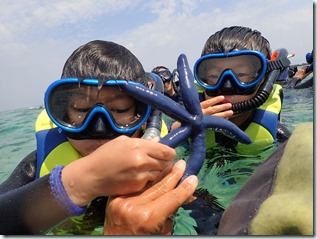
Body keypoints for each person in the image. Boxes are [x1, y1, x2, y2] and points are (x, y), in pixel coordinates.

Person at [103, 26, 293, 235]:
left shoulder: (280, 137)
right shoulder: (186, 130)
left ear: (264, 79)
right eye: (212, 76)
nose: (227, 86)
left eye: (242, 75)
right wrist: (180, 129)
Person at [0, 40, 197, 235]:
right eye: (81, 109)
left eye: (120, 110)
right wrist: (79, 183)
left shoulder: (167, 161)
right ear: (63, 113)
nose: (100, 128)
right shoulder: (40, 162)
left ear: (143, 115)